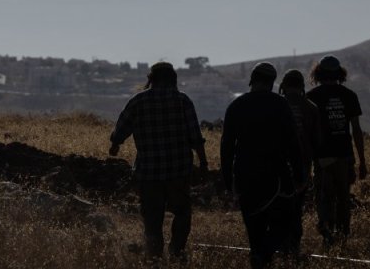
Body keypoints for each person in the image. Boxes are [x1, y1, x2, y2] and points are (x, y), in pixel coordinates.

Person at [109, 61, 208, 262]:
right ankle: (176, 252)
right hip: (179, 172)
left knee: (152, 220)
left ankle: (154, 258)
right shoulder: (183, 101)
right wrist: (203, 163)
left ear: (151, 79)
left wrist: (115, 145)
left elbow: (120, 130)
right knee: (182, 213)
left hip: (149, 173)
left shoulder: (138, 101)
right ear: (173, 79)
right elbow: (195, 137)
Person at [221, 62, 304, 269]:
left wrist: (227, 180)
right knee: (285, 222)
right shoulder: (280, 104)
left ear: (252, 80)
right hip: (276, 176)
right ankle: (265, 254)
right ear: (272, 82)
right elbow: (293, 142)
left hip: (245, 175)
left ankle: (259, 257)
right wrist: (300, 174)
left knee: (254, 230)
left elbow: (226, 146)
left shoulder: (237, 106)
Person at [306, 55, 367, 245]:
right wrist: (362, 161)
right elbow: (356, 130)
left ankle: (327, 232)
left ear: (318, 73)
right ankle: (343, 236)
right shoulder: (349, 96)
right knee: (343, 197)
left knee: (324, 196)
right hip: (344, 155)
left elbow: (307, 132)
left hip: (322, 157)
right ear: (340, 73)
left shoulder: (311, 97)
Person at [278, 69, 321, 257]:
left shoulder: (276, 105)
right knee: (297, 208)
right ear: (302, 86)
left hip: (277, 166)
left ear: (283, 86)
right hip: (303, 166)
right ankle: (294, 246)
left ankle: (280, 246)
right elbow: (317, 142)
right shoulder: (311, 108)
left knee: (278, 206)